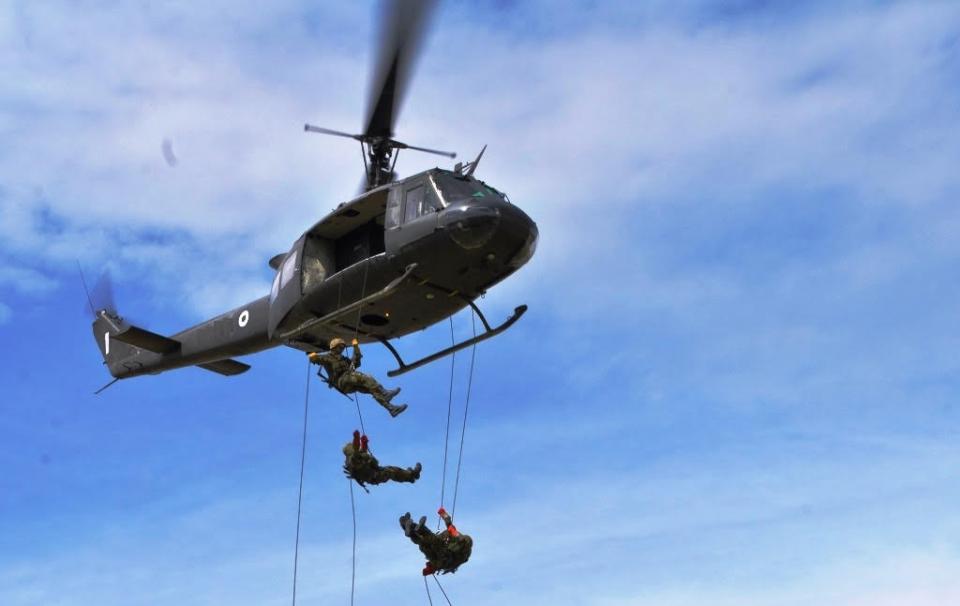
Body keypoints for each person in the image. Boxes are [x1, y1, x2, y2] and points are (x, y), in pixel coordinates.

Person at [308, 337, 407, 417]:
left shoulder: (344, 359)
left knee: (372, 389)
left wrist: (356, 347)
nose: (342, 349)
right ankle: (385, 392)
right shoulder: (327, 357)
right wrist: (313, 356)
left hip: (349, 382)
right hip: (341, 382)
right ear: (334, 347)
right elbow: (316, 359)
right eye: (340, 347)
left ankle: (391, 409)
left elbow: (355, 363)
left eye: (343, 347)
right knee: (363, 376)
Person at [399, 507, 473, 575]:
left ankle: (414, 528)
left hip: (444, 558)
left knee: (432, 542)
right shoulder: (457, 541)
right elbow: (450, 526)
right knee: (425, 544)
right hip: (441, 560)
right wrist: (443, 514)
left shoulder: (461, 542)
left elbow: (450, 526)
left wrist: (443, 514)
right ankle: (410, 529)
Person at [343, 430, 421, 488]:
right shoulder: (352, 459)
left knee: (392, 469)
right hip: (375, 476)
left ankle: (411, 476)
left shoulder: (356, 456)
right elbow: (356, 449)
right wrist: (356, 437)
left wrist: (364, 443)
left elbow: (362, 451)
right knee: (391, 472)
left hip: (376, 473)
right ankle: (410, 476)